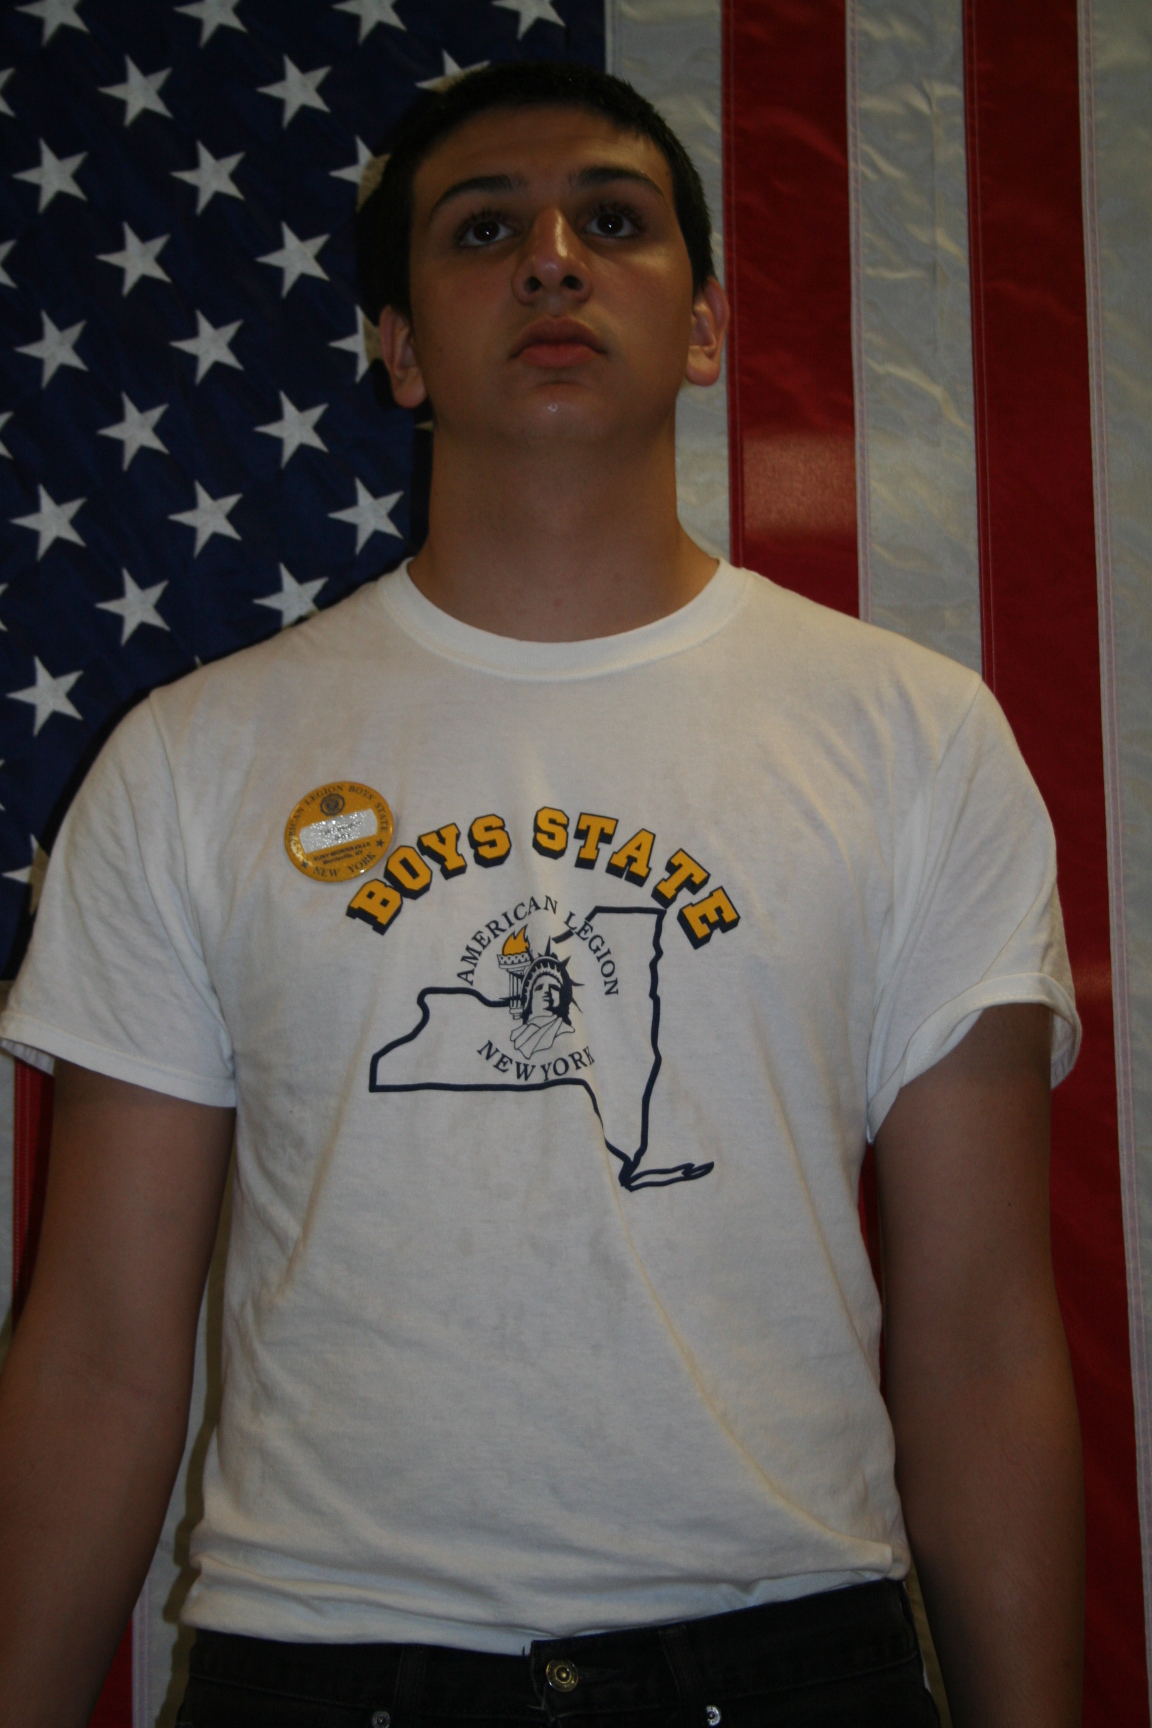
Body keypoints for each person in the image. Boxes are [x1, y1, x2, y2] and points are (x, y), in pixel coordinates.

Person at [0, 60, 1084, 1728]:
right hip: (326, 1664)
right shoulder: (192, 762)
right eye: (483, 228)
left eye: (615, 220)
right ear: (400, 349)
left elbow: (986, 1340)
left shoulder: (914, 738)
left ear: (705, 328)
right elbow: (92, 1354)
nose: (554, 259)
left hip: (789, 1655)